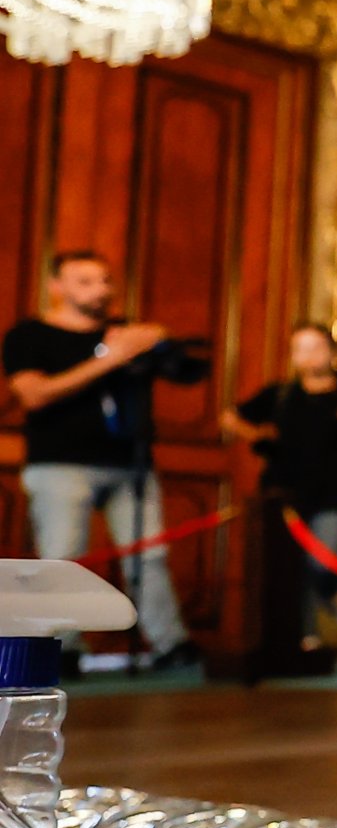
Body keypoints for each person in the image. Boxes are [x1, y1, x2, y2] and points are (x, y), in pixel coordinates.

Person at [4, 250, 198, 665]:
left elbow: (190, 370)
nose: (100, 290)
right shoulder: (30, 335)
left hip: (130, 463)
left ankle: (170, 643)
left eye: (105, 280)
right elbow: (34, 395)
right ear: (57, 287)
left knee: (150, 556)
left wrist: (159, 340)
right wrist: (108, 360)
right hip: (61, 464)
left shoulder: (123, 333)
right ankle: (63, 650)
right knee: (65, 559)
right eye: (85, 281)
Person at [222, 321, 337, 649]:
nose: (308, 357)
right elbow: (230, 416)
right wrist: (258, 436)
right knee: (287, 570)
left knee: (321, 562)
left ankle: (335, 593)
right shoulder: (279, 396)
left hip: (333, 495)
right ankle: (306, 637)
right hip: (283, 494)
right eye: (300, 349)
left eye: (315, 348)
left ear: (332, 353)